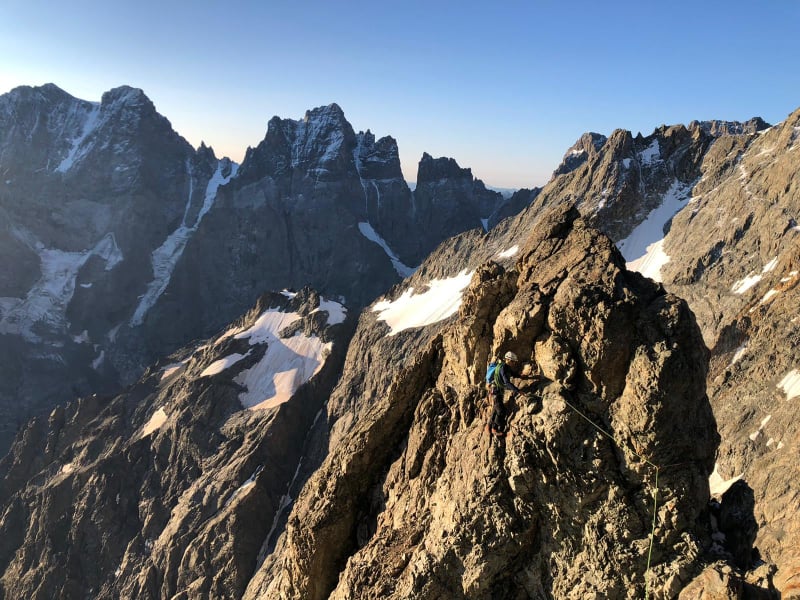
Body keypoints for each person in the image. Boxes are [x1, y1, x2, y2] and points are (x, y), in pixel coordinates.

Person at [488, 351, 531, 437]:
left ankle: (489, 426)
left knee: (496, 408)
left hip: (498, 390)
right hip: (496, 391)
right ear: (508, 360)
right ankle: (494, 428)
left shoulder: (506, 367)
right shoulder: (503, 368)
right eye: (513, 361)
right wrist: (518, 391)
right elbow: (507, 383)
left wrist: (521, 376)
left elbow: (512, 374)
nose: (514, 363)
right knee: (501, 411)